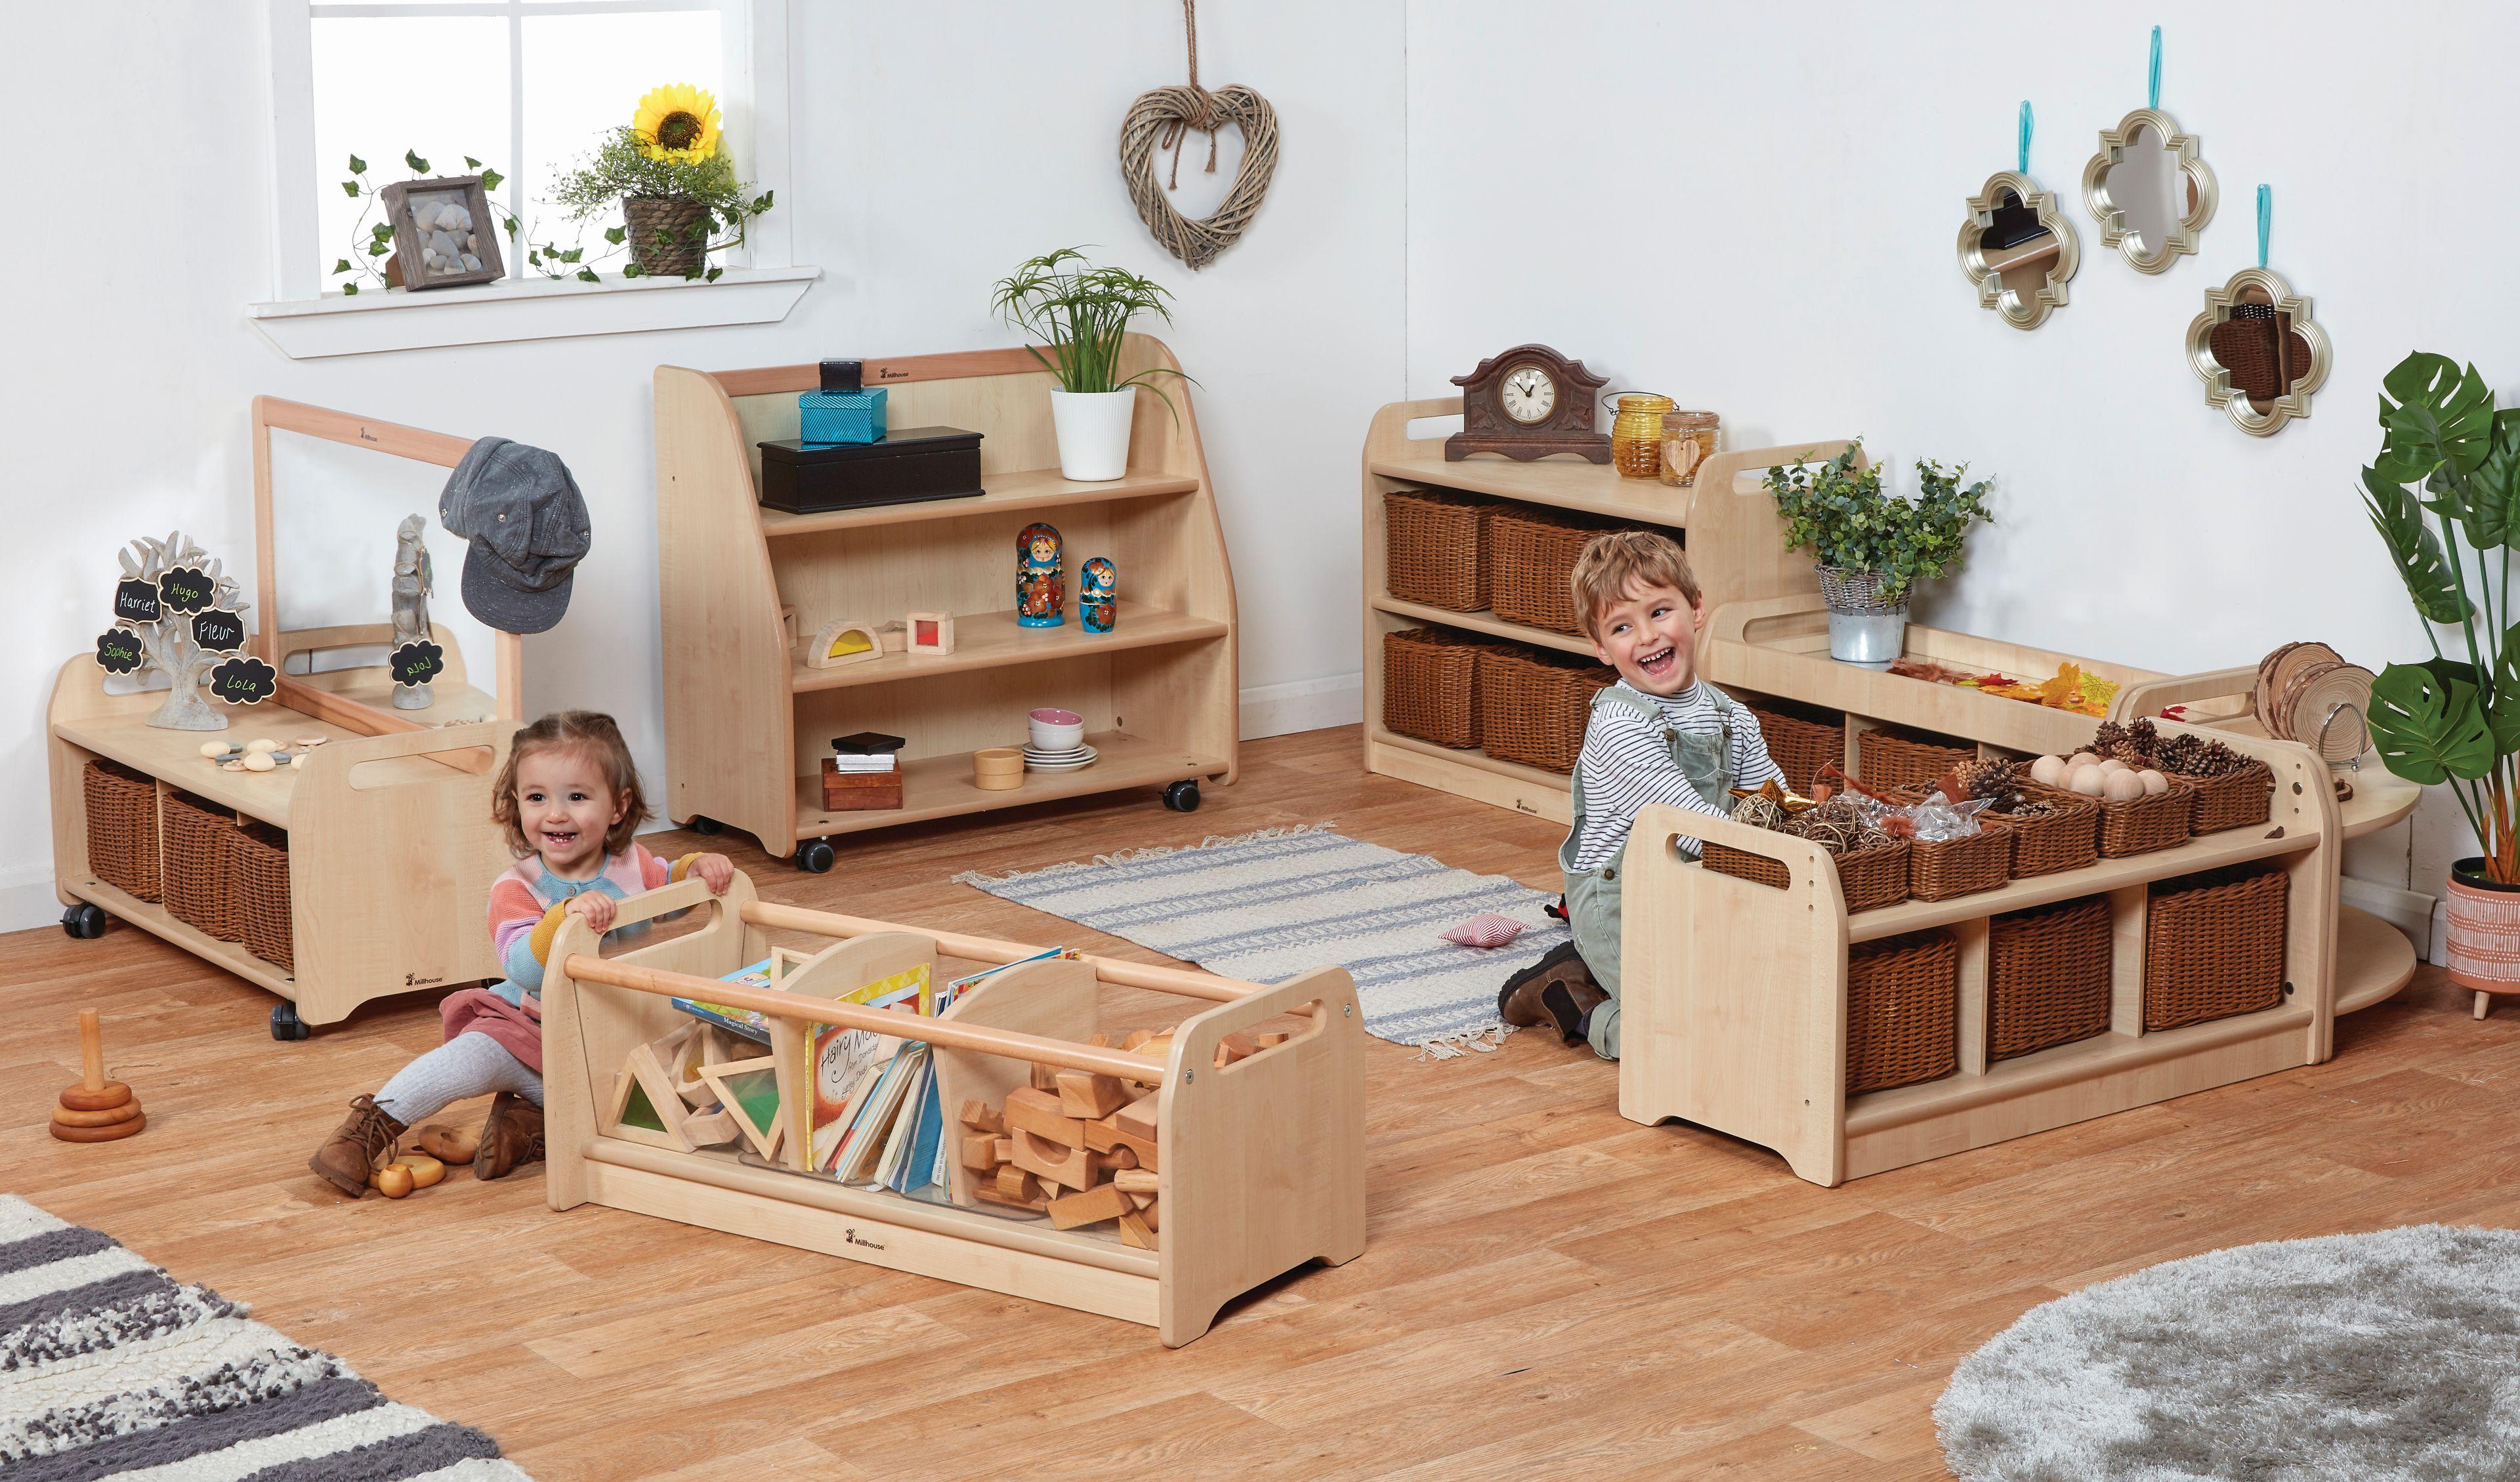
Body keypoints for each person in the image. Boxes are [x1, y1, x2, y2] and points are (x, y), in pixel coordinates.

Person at [308, 711, 735, 1195]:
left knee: (656, 1105)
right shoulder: (515, 887)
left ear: (618, 806)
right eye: (537, 798)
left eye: (576, 796)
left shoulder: (631, 863)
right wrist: (564, 917)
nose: (555, 813)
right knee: (467, 1059)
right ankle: (367, 1128)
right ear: (517, 804)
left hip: (617, 1040)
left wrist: (695, 869)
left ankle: (525, 1124)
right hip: (530, 1032)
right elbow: (522, 967)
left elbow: (670, 897)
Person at [1498, 531, 1782, 1060]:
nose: (1647, 636)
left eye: (1660, 612)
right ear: (1601, 648)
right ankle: (1571, 997)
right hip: (1623, 902)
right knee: (1681, 1040)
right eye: (1623, 626)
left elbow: (1772, 806)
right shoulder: (1619, 723)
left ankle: (1600, 973)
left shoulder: (1732, 716)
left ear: (1696, 609)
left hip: (1704, 888)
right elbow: (1689, 831)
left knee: (1752, 1007)